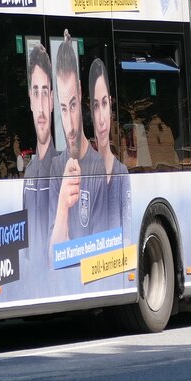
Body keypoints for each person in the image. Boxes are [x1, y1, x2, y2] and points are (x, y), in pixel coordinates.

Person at [52, 31, 106, 247]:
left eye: (73, 105)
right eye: (63, 109)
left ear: (81, 92)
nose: (71, 126)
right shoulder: (55, 169)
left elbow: (103, 248)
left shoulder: (100, 167)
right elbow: (51, 257)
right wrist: (63, 206)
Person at [22, 44, 61, 267]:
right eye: (35, 92)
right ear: (30, 100)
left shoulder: (61, 168)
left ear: (53, 99)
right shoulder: (28, 174)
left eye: (45, 92)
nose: (41, 105)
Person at [88, 58, 131, 233]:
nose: (101, 120)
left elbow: (127, 235)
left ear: (111, 105)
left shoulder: (122, 174)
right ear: (91, 111)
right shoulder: (85, 175)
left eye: (104, 103)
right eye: (96, 106)